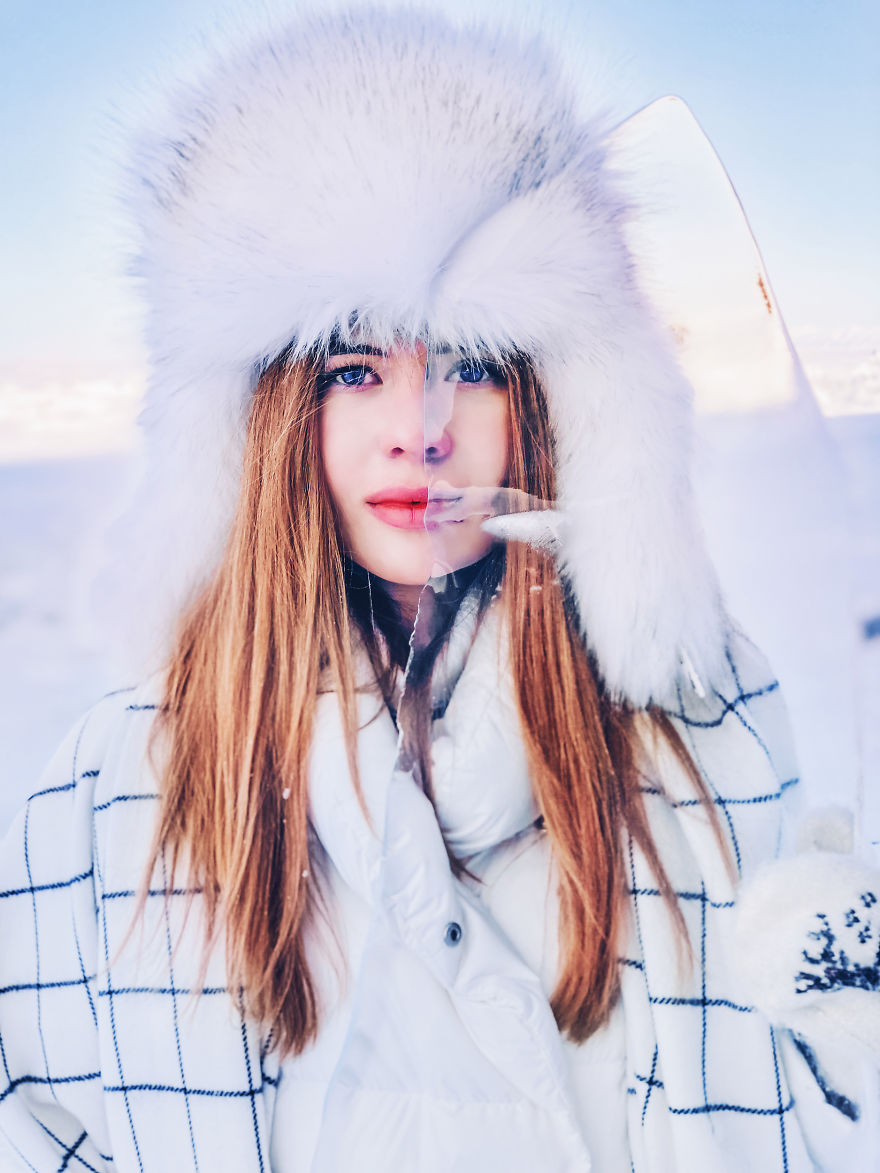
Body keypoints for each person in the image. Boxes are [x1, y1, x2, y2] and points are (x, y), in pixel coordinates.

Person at [0, 7, 877, 1172]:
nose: (417, 430)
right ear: (262, 426)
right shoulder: (121, 792)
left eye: (468, 364)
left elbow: (810, 1127)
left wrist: (840, 1010)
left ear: (558, 398)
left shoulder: (690, 740)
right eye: (355, 368)